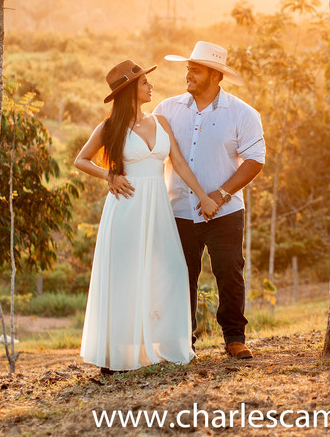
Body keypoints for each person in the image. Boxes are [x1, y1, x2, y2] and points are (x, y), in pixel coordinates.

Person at [74, 60, 219, 374]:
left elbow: (179, 163)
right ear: (130, 91)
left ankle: (168, 345)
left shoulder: (160, 121)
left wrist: (204, 196)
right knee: (125, 275)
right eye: (144, 83)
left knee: (172, 271)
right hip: (126, 207)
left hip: (158, 208)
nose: (150, 86)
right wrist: (109, 176)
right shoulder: (109, 127)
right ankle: (118, 356)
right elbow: (81, 160)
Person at [152, 41, 265, 360]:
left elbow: (255, 160)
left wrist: (220, 194)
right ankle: (182, 342)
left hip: (225, 213)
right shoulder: (166, 110)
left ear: (216, 76)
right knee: (180, 276)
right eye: (188, 69)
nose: (188, 75)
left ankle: (234, 338)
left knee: (230, 272)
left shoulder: (243, 114)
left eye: (196, 70)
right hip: (178, 210)